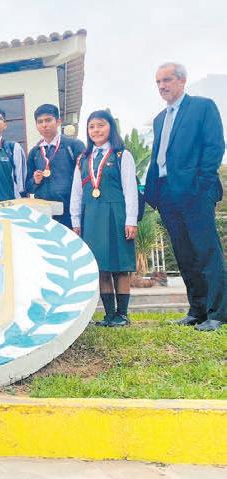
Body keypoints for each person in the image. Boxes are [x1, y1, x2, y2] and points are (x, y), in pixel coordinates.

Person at [144, 63, 225, 331]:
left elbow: (214, 145)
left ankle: (217, 313)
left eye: (167, 80)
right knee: (184, 253)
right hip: (167, 193)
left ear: (182, 80)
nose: (162, 86)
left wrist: (202, 184)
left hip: (195, 191)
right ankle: (197, 310)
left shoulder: (202, 107)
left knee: (206, 251)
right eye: (158, 82)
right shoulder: (159, 118)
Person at [70, 110, 138, 327]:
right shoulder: (83, 159)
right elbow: (76, 193)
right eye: (91, 127)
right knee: (100, 267)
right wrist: (75, 221)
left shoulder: (121, 155)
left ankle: (122, 315)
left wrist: (131, 220)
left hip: (116, 214)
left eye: (101, 125)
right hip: (91, 216)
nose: (96, 130)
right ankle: (109, 315)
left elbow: (130, 190)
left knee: (120, 265)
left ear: (111, 128)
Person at [25, 104, 85, 228]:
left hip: (69, 211)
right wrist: (35, 181)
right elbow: (27, 186)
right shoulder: (34, 152)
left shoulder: (73, 145)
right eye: (40, 122)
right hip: (44, 214)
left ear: (58, 122)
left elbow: (85, 178)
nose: (44, 125)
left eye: (48, 120)